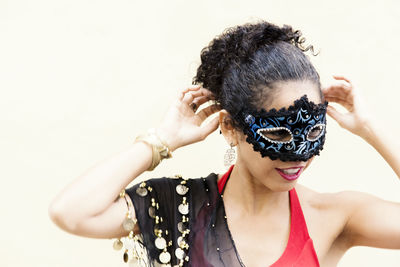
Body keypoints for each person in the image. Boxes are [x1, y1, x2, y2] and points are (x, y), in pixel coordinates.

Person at [48, 20, 400, 267]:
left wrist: (371, 128)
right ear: (230, 127)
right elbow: (71, 212)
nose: (299, 154)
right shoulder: (178, 208)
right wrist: (160, 141)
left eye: (311, 132)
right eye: (277, 133)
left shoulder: (334, 217)